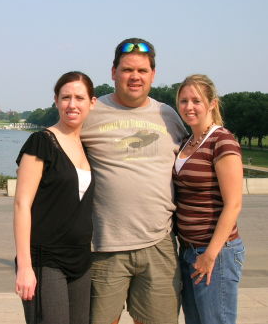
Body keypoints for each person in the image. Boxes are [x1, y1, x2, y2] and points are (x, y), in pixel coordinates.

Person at [81, 38, 187, 324]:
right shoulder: (90, 113)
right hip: (103, 246)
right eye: (127, 70)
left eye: (142, 70)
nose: (135, 77)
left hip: (158, 243)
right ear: (113, 72)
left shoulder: (169, 116)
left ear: (153, 74)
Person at [14, 71, 97, 324]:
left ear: (91, 103)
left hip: (81, 259)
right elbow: (21, 205)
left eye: (79, 98)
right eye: (66, 97)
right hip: (46, 259)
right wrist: (25, 267)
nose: (72, 104)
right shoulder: (41, 142)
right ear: (56, 100)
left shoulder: (87, 146)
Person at [173, 74, 245, 324]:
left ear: (212, 103)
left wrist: (210, 254)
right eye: (183, 101)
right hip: (189, 251)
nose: (189, 107)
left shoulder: (222, 141)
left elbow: (233, 204)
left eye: (196, 100)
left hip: (216, 252)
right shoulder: (186, 142)